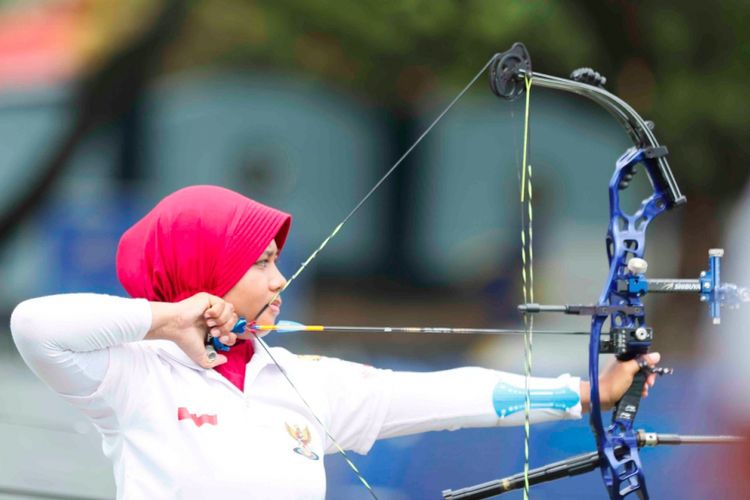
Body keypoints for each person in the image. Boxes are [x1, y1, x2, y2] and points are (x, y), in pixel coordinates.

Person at [10, 185, 660, 499]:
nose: (281, 277)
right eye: (260, 262)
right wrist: (169, 318)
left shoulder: (302, 381)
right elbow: (36, 326)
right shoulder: (136, 376)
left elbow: (443, 393)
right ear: (203, 271)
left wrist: (586, 394)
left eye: (277, 260)